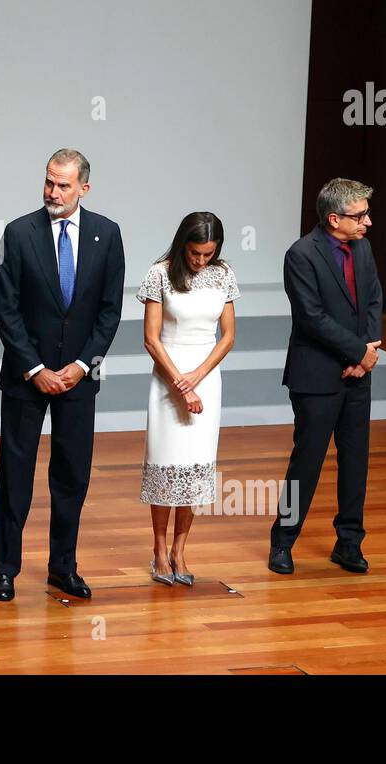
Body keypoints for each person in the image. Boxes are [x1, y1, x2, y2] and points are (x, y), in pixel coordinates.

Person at [0, 149, 126, 602]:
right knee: (16, 475)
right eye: (49, 181)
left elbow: (109, 310)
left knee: (71, 476)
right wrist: (36, 369)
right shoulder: (18, 233)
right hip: (27, 378)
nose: (52, 191)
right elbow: (5, 309)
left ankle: (62, 568)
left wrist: (82, 366)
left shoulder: (107, 234)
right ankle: (5, 570)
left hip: (78, 379)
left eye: (63, 185)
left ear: (83, 188)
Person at [269, 178, 382, 576]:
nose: (368, 222)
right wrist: (358, 353)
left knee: (356, 461)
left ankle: (349, 543)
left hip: (358, 373)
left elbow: (373, 299)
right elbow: (311, 317)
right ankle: (282, 542)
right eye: (360, 215)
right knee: (307, 461)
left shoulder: (363, 248)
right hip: (316, 375)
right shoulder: (301, 254)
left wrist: (368, 351)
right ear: (334, 219)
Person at [137, 212, 239, 587]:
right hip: (168, 379)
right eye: (195, 253)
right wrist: (181, 382)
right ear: (183, 245)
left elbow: (227, 336)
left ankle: (181, 549)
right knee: (166, 463)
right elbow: (151, 338)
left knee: (196, 466)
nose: (200, 261)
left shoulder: (224, 274)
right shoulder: (159, 273)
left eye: (208, 254)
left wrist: (198, 377)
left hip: (207, 379)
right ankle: (159, 550)